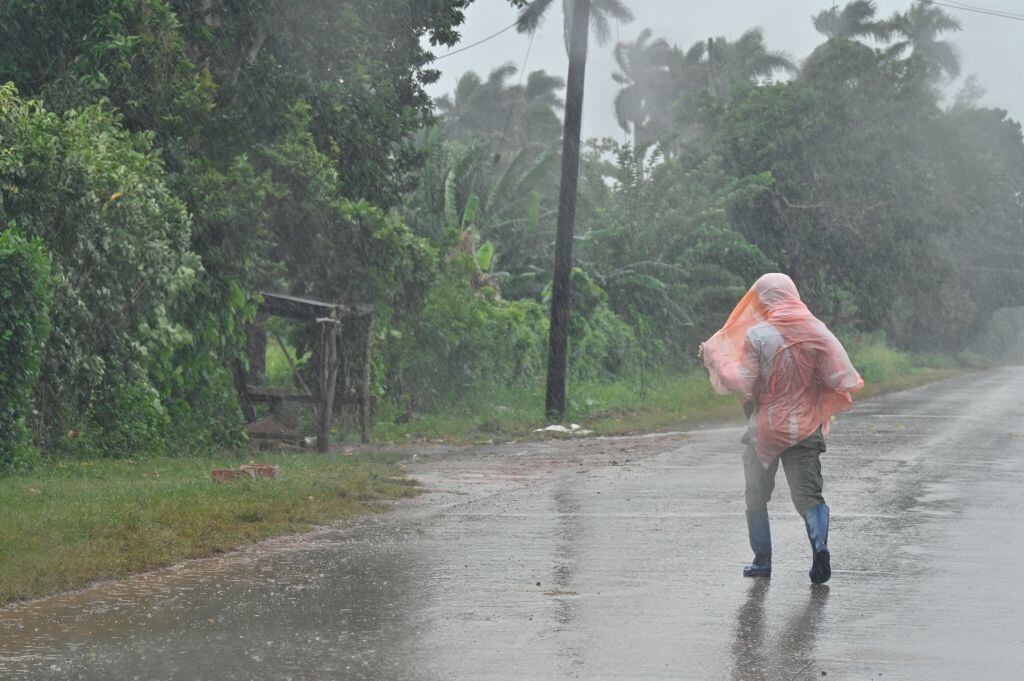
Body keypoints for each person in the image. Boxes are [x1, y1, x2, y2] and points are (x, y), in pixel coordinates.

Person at [699, 273, 863, 583]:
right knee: (810, 496)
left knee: (756, 495)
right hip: (805, 427)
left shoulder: (758, 335)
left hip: (767, 428)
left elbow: (742, 384)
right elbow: (839, 377)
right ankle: (820, 546)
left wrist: (715, 358)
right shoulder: (817, 330)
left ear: (762, 301)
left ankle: (762, 561)